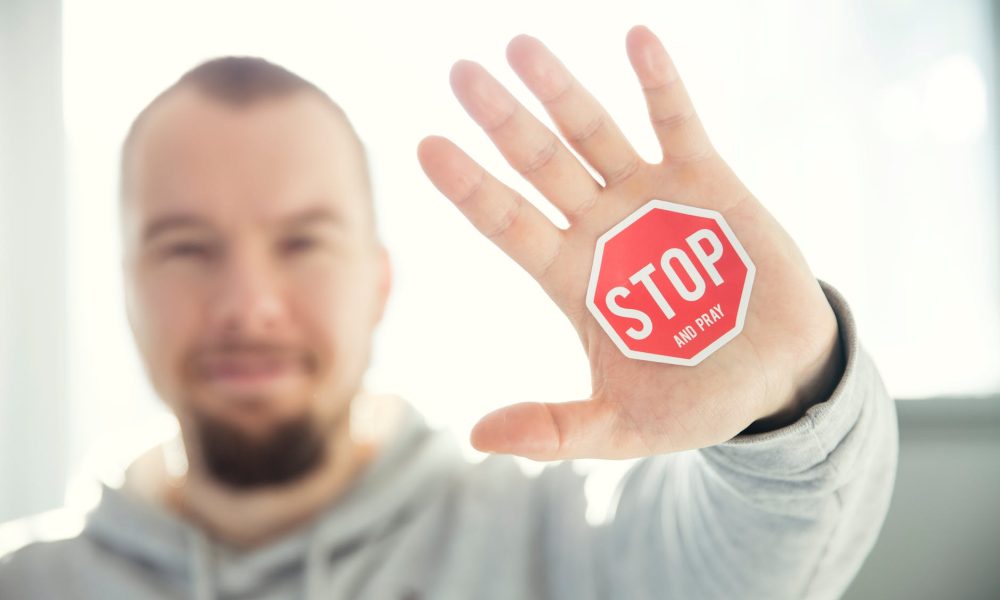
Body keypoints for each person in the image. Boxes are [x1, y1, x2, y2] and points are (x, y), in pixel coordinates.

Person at [0, 26, 897, 599]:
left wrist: (785, 401)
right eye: (187, 249)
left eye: (304, 242)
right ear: (126, 286)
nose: (249, 304)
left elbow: (762, 560)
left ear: (380, 282)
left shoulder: (558, 546)